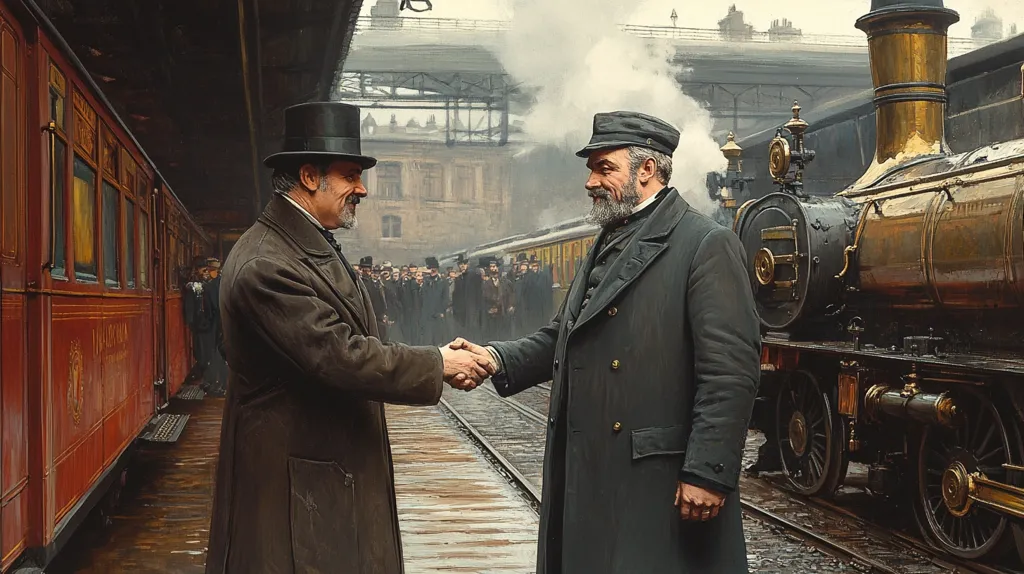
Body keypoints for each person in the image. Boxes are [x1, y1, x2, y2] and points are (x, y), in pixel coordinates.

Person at [450, 111, 761, 573]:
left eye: (604, 168)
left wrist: (707, 471)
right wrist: (495, 357)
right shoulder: (606, 239)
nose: (591, 181)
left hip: (655, 478)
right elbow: (564, 335)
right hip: (594, 468)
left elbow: (730, 371)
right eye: (591, 168)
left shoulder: (704, 244)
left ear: (647, 170)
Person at [205, 102, 494, 574]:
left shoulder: (297, 243)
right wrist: (437, 363)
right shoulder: (268, 263)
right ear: (309, 176)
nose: (362, 189)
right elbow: (337, 355)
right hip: (296, 489)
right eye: (350, 176)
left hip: (318, 475)